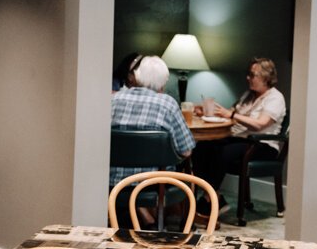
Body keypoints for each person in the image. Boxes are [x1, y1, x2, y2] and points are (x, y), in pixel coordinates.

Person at [193, 57, 287, 195]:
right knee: (202, 147)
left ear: (266, 77)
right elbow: (231, 114)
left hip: (263, 145)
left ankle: (209, 197)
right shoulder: (248, 95)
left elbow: (260, 124)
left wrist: (231, 115)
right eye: (248, 74)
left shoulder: (275, 98)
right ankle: (210, 195)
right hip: (241, 139)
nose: (248, 78)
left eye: (252, 75)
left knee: (223, 153)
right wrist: (207, 112)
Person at [110, 55, 194, 189]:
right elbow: (186, 151)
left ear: (136, 76)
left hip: (114, 185)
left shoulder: (113, 100)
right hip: (155, 186)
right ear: (163, 82)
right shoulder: (168, 104)